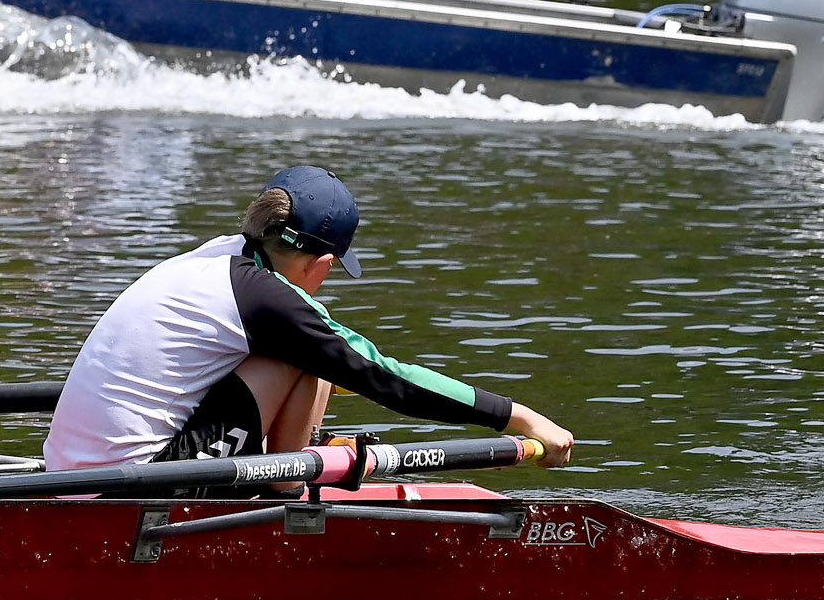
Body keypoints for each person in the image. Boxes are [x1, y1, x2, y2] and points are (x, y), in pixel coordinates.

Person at [43, 166, 576, 479]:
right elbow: (385, 377)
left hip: (71, 470)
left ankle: (296, 456)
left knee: (311, 357)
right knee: (308, 359)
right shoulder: (271, 303)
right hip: (136, 484)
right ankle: (286, 487)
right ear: (321, 262)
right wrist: (520, 419)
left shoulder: (215, 258)